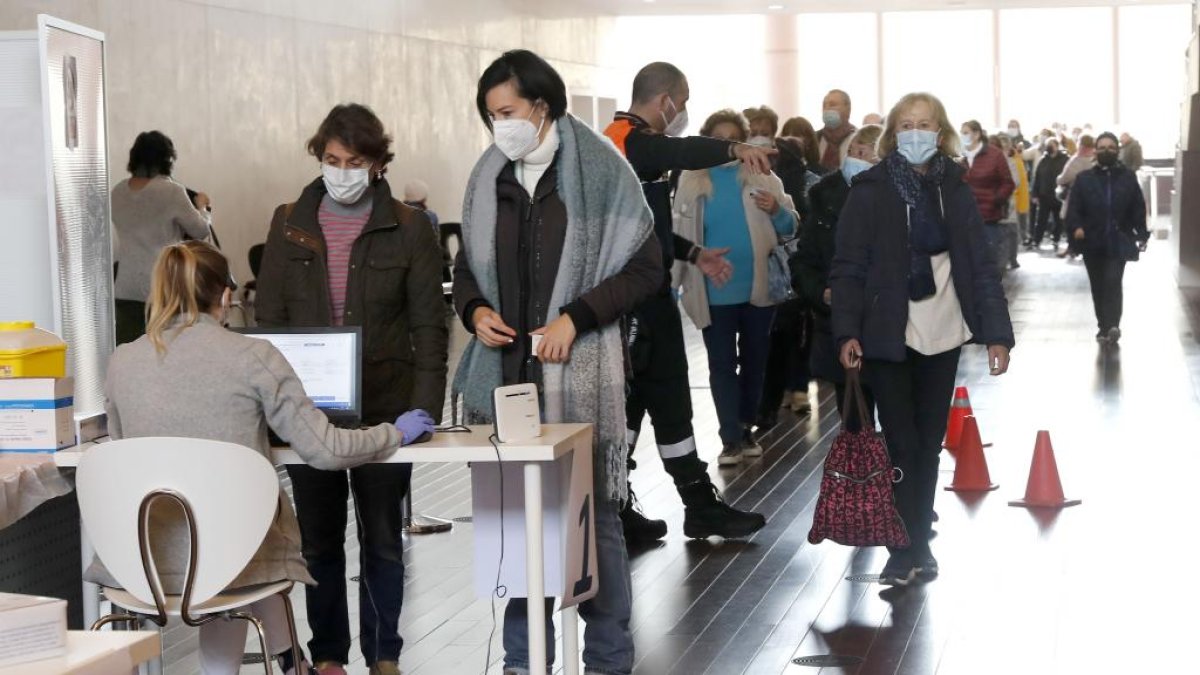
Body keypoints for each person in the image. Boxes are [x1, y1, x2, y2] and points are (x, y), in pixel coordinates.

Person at [97, 241, 436, 675]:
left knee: (244, 534)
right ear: (224, 295)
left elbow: (123, 447)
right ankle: (290, 664)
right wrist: (395, 432)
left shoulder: (122, 361)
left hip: (142, 557)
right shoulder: (254, 357)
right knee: (252, 533)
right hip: (229, 558)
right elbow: (326, 449)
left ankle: (296, 664)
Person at [451, 50, 661, 675]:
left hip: (580, 375)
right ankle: (524, 662)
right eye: (491, 116)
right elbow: (467, 268)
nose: (500, 127)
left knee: (593, 518)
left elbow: (647, 268)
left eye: (508, 112)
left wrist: (578, 315)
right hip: (508, 379)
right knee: (517, 528)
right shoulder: (490, 176)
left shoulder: (602, 168)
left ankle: (607, 661)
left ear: (541, 106)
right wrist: (474, 311)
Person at [255, 104, 449, 675]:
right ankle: (331, 657)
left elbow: (428, 326)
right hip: (308, 410)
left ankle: (385, 654)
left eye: (355, 161)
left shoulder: (410, 227)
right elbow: (269, 318)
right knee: (317, 544)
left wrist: (425, 407)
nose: (341, 171)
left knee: (384, 540)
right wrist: (273, 405)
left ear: (379, 163)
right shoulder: (289, 219)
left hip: (387, 406)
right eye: (332, 160)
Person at [831, 92, 1014, 586]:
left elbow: (979, 265)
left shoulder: (954, 189)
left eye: (925, 124)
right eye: (907, 123)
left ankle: (917, 540)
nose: (916, 132)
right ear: (893, 133)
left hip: (944, 329)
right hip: (887, 333)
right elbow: (848, 268)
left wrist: (997, 334)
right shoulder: (870, 190)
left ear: (941, 133)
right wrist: (846, 330)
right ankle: (902, 545)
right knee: (901, 443)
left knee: (928, 445)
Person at [602, 62, 770, 543]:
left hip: (647, 300)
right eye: (684, 100)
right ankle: (621, 506)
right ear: (666, 102)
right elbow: (675, 149)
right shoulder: (625, 140)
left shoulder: (633, 145)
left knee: (662, 403)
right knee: (635, 405)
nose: (683, 112)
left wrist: (694, 253)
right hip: (633, 305)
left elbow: (647, 229)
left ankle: (683, 506)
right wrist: (734, 147)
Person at [672, 110, 797, 465]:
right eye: (718, 141)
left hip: (760, 287)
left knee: (756, 361)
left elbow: (791, 226)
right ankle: (730, 437)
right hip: (713, 289)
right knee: (721, 365)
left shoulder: (762, 175)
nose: (726, 148)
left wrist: (776, 210)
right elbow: (678, 238)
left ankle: (745, 427)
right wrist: (674, 285)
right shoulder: (692, 180)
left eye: (733, 140)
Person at [796, 124, 883, 428]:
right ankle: (862, 471)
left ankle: (895, 472)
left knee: (897, 415)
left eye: (867, 152)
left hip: (886, 322)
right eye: (854, 150)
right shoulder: (823, 196)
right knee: (854, 416)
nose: (857, 157)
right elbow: (804, 261)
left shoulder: (898, 197)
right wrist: (822, 292)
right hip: (839, 322)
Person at [110, 130, 212, 345]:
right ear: (168, 159)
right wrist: (203, 207)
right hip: (165, 287)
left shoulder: (117, 192)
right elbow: (200, 231)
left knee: (130, 352)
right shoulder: (172, 191)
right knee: (165, 351)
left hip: (125, 288)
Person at [756, 119, 823, 426]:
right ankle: (785, 389)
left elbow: (804, 221)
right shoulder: (762, 181)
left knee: (797, 332)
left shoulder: (808, 182)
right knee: (785, 333)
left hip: (795, 265)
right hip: (778, 268)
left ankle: (796, 387)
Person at [1067, 132, 1149, 344]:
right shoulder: (1084, 179)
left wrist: (1141, 233)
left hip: (1118, 239)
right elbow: (1074, 207)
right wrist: (1076, 227)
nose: (1106, 151)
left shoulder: (1128, 177)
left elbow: (1138, 207)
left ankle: (1113, 324)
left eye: (1111, 147)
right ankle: (1103, 326)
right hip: (1092, 241)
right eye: (1102, 147)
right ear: (1095, 151)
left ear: (1117, 150)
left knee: (1113, 280)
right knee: (1098, 284)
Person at [959, 120, 1015, 275]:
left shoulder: (994, 155)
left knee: (988, 261)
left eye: (965, 132)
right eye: (961, 132)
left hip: (987, 216)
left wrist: (996, 200)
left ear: (976, 135)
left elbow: (1007, 183)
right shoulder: (958, 155)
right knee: (965, 262)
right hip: (962, 217)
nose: (962, 136)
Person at [1056, 134, 1096, 259]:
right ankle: (1085, 249)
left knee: (1071, 221)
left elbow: (1063, 179)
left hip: (1075, 197)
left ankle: (1073, 248)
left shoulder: (1076, 161)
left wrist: (1058, 179)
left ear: (1082, 146)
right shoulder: (1097, 159)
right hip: (1095, 199)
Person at [993, 133, 1028, 271]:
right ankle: (1002, 262)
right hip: (996, 203)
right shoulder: (993, 162)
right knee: (1002, 233)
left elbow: (1016, 181)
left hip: (1008, 202)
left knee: (1011, 232)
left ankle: (1012, 259)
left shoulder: (1012, 162)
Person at [1031, 136, 1068, 249]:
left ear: (1057, 146)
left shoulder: (1065, 159)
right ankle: (1037, 240)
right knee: (1041, 220)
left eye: (1052, 145)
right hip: (1044, 195)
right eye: (1048, 145)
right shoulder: (1043, 160)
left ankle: (1056, 239)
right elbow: (1037, 178)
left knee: (1058, 220)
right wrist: (1035, 194)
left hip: (1058, 195)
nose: (1050, 147)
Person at [817, 89, 857, 173]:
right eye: (824, 105)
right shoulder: (815, 139)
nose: (827, 109)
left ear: (848, 109)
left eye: (832, 105)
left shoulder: (859, 139)